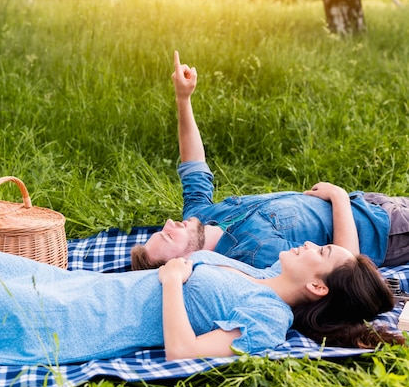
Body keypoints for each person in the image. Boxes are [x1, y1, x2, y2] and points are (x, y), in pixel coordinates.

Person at [131, 51, 409, 270]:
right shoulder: (255, 255)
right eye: (167, 236)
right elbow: (344, 267)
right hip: (385, 230)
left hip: (368, 202)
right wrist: (337, 197)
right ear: (187, 261)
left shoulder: (202, 218)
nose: (168, 223)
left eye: (162, 230)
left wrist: (183, 98)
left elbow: (194, 168)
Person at [0, 240, 403, 366]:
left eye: (323, 251)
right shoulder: (260, 271)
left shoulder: (269, 318)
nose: (311, 243)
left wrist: (171, 282)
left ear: (318, 287)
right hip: (79, 286)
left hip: (80, 319)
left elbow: (183, 352)